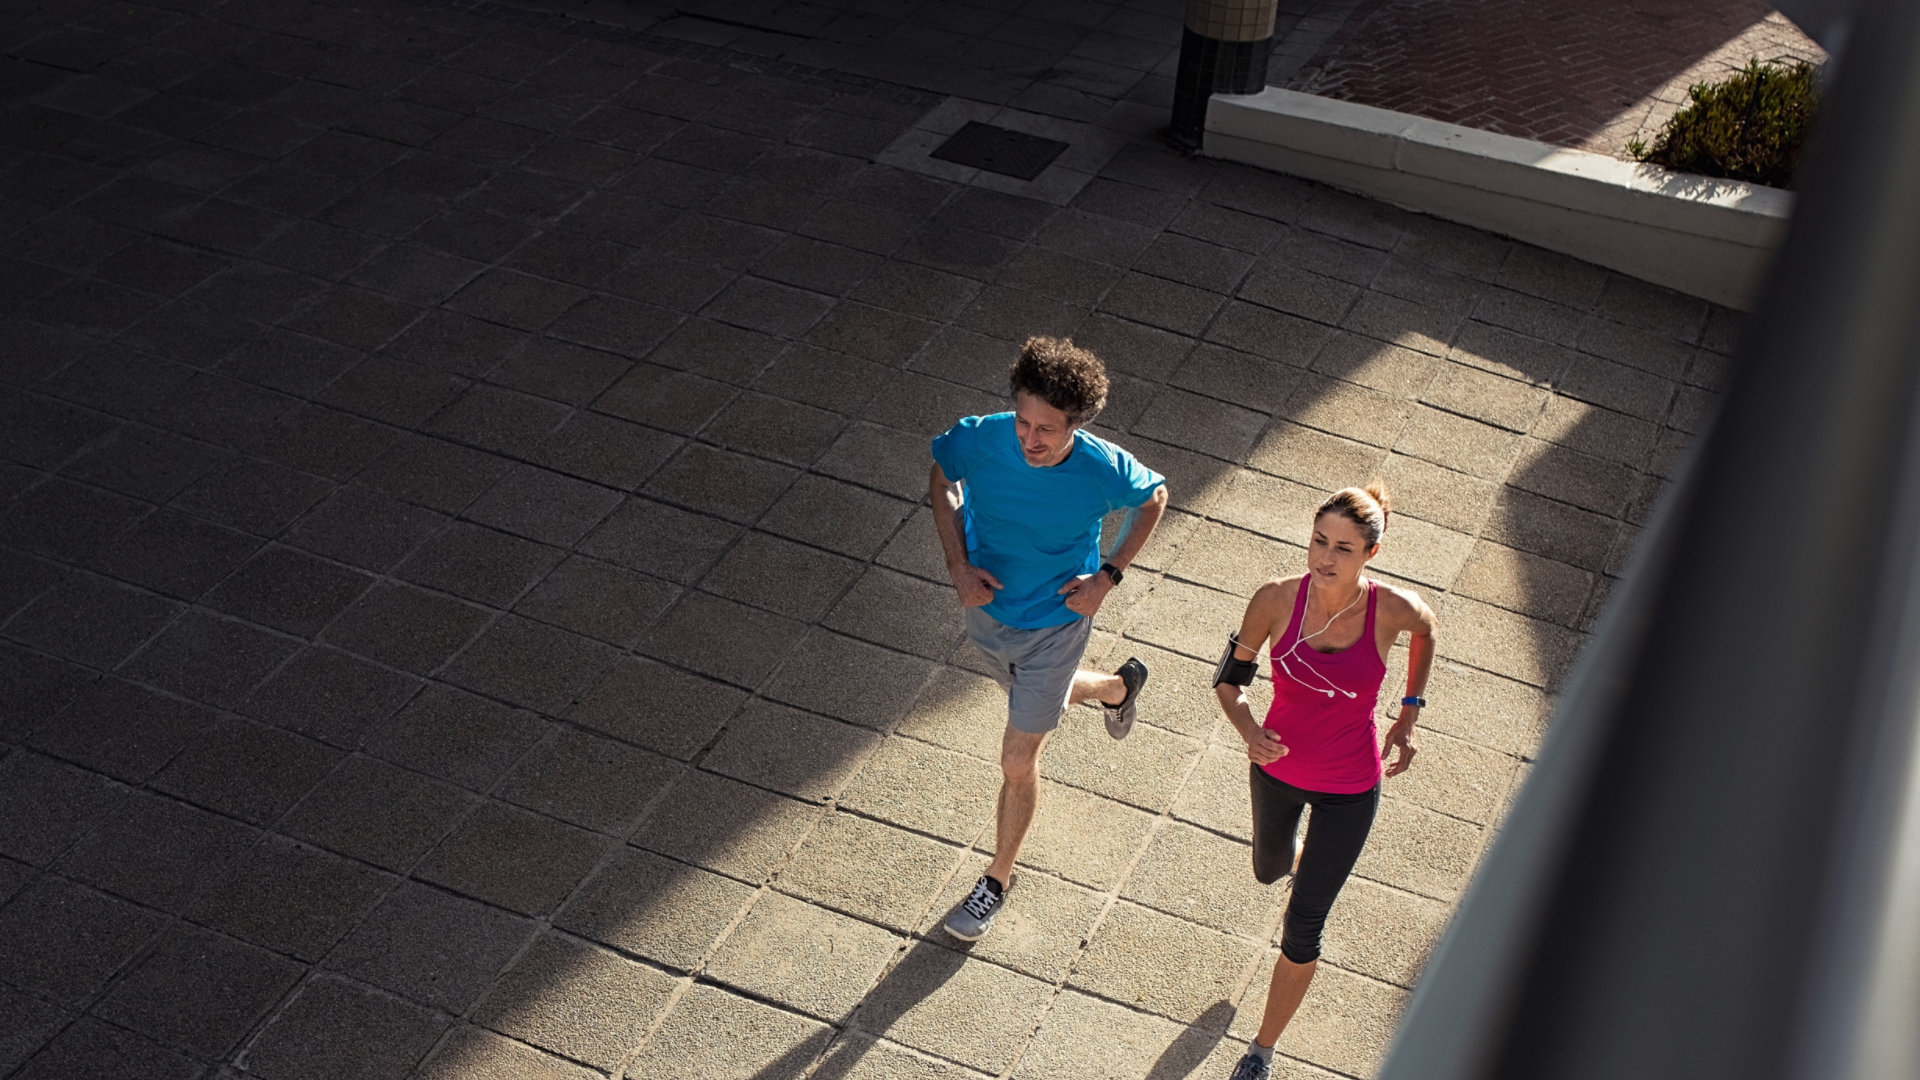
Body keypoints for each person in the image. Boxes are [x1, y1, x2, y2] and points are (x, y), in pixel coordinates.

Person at [930, 336, 1170, 942]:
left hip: (1058, 624)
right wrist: (957, 564)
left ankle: (996, 882)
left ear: (1076, 427)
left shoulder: (1099, 467)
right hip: (987, 613)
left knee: (1017, 757)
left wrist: (1107, 578)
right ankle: (1118, 688)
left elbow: (1154, 498)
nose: (1029, 440)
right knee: (1028, 698)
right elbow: (942, 476)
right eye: (1024, 422)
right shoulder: (984, 436)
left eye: (1047, 431)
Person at [1214, 483, 1437, 1080]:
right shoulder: (1273, 600)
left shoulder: (1391, 609)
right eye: (1318, 540)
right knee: (1269, 870)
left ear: (1371, 552)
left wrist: (1409, 711)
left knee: (1304, 922)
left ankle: (1261, 1050)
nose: (1325, 557)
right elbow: (1228, 683)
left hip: (1351, 786)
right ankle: (1293, 860)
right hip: (1277, 771)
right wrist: (1247, 728)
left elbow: (1428, 628)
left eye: (1343, 546)